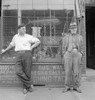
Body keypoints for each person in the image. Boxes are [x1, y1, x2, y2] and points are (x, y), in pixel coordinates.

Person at [1, 23, 41, 94]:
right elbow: (11, 45)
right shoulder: (15, 37)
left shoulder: (28, 36)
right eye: (23, 29)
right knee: (18, 71)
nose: (24, 30)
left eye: (25, 29)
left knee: (27, 72)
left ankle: (25, 88)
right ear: (19, 30)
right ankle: (30, 83)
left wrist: (31, 47)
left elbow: (38, 41)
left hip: (27, 54)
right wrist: (5, 50)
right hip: (18, 55)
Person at [62, 22, 83, 93]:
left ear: (76, 29)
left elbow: (82, 47)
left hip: (76, 53)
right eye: (72, 28)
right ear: (70, 29)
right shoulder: (66, 37)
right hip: (68, 54)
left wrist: (81, 54)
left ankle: (76, 86)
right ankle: (67, 86)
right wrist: (64, 54)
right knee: (67, 71)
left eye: (75, 28)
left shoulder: (80, 37)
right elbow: (63, 47)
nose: (74, 29)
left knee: (76, 71)